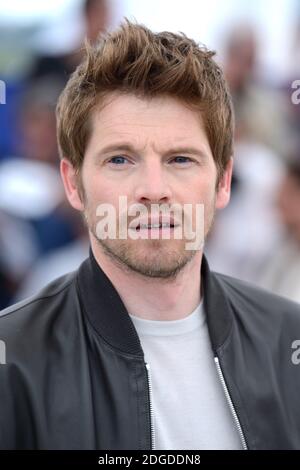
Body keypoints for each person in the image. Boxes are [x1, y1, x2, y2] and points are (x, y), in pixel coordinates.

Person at [0, 21, 300, 451]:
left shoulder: (289, 341)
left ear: (223, 182)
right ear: (73, 183)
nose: (153, 189)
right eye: (120, 159)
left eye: (180, 158)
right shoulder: (12, 363)